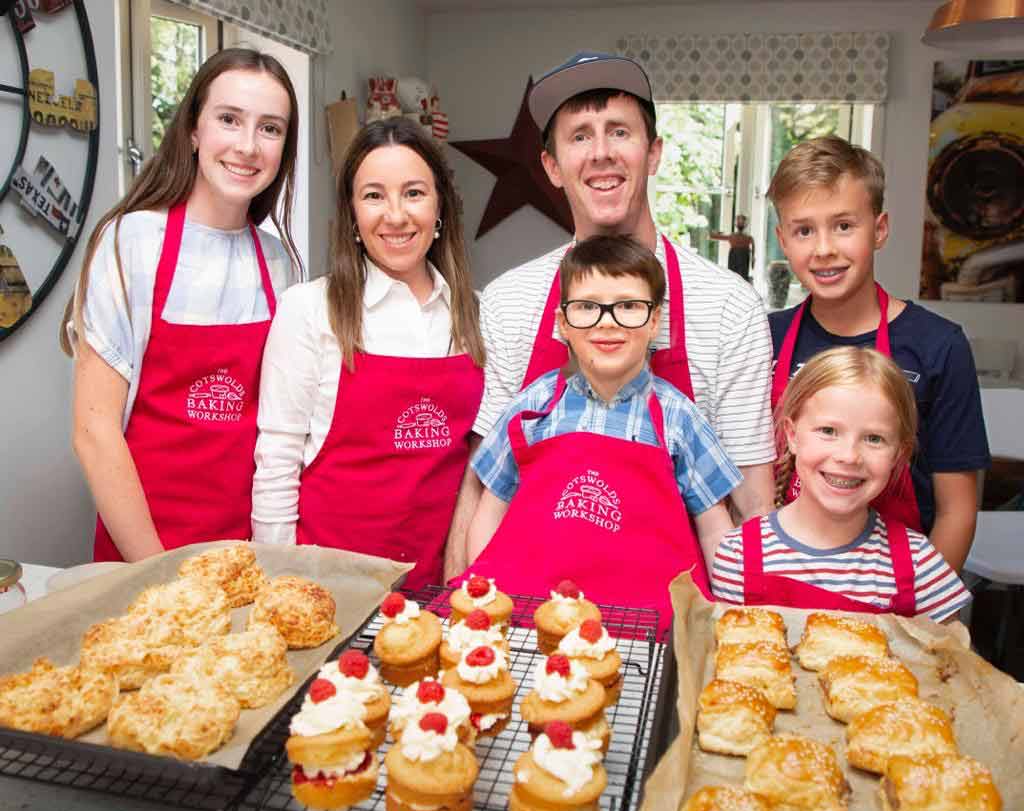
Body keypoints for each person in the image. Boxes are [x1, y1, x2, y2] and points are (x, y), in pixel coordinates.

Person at [445, 52, 776, 579]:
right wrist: (460, 607)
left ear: (654, 152)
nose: (601, 153)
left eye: (619, 131)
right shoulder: (509, 300)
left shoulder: (728, 306)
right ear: (552, 167)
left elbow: (753, 506)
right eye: (579, 136)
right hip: (525, 618)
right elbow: (483, 481)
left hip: (667, 618)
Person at [63, 48, 302, 562]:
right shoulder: (130, 242)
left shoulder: (280, 264)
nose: (247, 146)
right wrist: (158, 574)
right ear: (194, 130)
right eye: (229, 119)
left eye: (270, 129)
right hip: (142, 551)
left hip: (245, 552)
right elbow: (94, 430)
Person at [251, 117, 485, 589]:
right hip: (329, 587)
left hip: (441, 587)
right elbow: (276, 462)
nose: (395, 215)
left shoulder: (476, 314)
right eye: (374, 195)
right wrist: (284, 585)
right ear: (352, 213)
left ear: (440, 207)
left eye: (414, 193)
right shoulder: (310, 308)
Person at [462, 235, 739, 625]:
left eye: (628, 306)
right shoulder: (532, 408)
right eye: (587, 307)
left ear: (654, 321)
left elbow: (715, 532)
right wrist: (485, 593)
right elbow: (489, 513)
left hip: (646, 627)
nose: (607, 322)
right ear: (563, 324)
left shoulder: (680, 418)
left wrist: (725, 616)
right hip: (531, 616)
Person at [766, 135, 989, 572]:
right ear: (783, 240)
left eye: (844, 226)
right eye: (804, 230)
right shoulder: (764, 339)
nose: (824, 248)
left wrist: (919, 617)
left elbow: (956, 511)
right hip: (782, 579)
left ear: (880, 229)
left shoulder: (938, 346)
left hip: (896, 589)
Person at [712, 347, 971, 622]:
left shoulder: (919, 563)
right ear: (792, 435)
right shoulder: (738, 554)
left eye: (874, 438)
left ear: (899, 454)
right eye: (828, 431)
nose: (848, 456)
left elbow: (950, 660)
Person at [710, 214, 754, 282]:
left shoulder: (733, 237)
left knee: (736, 278)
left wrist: (718, 233)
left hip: (737, 259)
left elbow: (711, 236)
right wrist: (753, 259)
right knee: (739, 278)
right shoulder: (748, 238)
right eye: (739, 221)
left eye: (741, 221)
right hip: (741, 260)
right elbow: (711, 236)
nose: (740, 223)